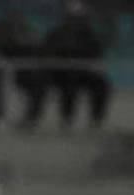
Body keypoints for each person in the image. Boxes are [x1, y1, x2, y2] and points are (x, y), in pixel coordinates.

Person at [46, 0, 110, 130]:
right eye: (72, 17)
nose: (75, 20)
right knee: (69, 87)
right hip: (62, 74)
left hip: (84, 72)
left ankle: (96, 119)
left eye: (79, 17)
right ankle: (67, 119)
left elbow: (97, 54)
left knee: (102, 85)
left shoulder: (90, 35)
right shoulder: (56, 34)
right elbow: (48, 55)